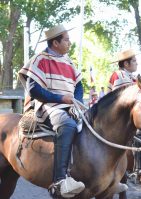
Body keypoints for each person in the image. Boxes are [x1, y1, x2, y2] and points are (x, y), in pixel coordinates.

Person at [18, 24, 86, 197]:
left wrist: (75, 101)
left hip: (70, 106)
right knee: (68, 125)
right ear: (55, 42)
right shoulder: (40, 59)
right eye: (67, 40)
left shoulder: (69, 61)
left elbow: (79, 86)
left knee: (97, 123)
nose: (69, 43)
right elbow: (34, 90)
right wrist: (61, 99)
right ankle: (60, 181)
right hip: (48, 106)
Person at [107, 49, 141, 185]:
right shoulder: (118, 75)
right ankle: (140, 170)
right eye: (135, 61)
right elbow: (121, 100)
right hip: (118, 116)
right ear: (126, 63)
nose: (137, 63)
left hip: (130, 115)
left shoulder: (133, 77)